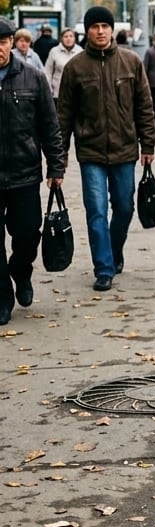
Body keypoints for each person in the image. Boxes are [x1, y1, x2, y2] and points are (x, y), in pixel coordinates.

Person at [57, 6, 155, 291]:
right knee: (97, 210)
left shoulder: (131, 62)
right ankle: (104, 268)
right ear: (86, 31)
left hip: (125, 149)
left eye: (105, 26)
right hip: (90, 153)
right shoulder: (75, 68)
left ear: (112, 29)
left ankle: (114, 250)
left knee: (124, 207)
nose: (100, 31)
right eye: (94, 26)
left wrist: (147, 144)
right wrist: (59, 157)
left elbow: (145, 108)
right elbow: (63, 115)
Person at [0, 16, 66, 325]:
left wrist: (56, 165)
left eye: (2, 42)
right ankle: (3, 297)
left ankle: (21, 272)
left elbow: (50, 126)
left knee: (27, 234)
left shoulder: (33, 77)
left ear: (11, 43)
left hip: (25, 173)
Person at [44, 27, 83, 99]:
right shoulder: (54, 51)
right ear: (61, 38)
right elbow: (48, 72)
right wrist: (49, 89)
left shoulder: (80, 51)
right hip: (57, 92)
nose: (68, 39)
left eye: (71, 36)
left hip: (76, 92)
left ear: (74, 38)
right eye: (66, 36)